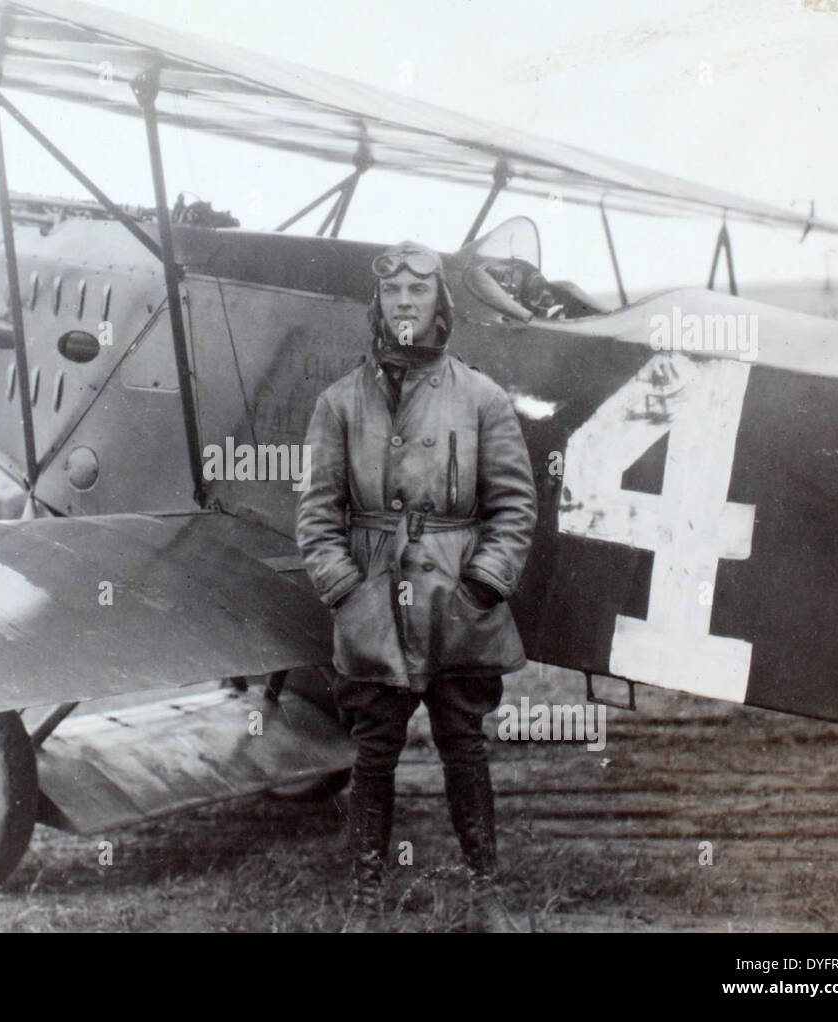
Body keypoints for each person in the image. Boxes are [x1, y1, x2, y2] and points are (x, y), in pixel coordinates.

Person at [296, 240, 537, 932]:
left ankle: (487, 892)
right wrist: (347, 591)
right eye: (394, 292)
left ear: (441, 305)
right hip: (375, 602)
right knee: (374, 750)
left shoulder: (482, 398)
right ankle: (366, 898)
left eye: (419, 291)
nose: (406, 302)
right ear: (379, 305)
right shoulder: (339, 404)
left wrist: (484, 588)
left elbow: (515, 506)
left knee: (464, 743)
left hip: (458, 602)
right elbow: (316, 513)